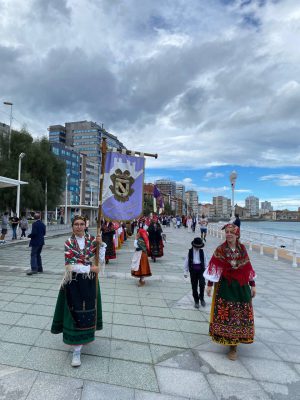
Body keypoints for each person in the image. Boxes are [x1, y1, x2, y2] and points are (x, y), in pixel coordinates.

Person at [51, 215, 106, 367]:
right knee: (74, 311)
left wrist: (101, 246)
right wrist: (90, 267)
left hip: (89, 281)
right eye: (76, 224)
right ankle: (76, 351)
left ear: (85, 225)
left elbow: (100, 260)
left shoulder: (92, 240)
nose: (79, 227)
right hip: (74, 281)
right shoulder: (68, 243)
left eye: (82, 224)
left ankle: (84, 340)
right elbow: (70, 265)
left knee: (89, 310)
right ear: (72, 226)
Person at [204, 223, 256, 361]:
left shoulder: (242, 249)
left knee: (240, 314)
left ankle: (235, 345)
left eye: (231, 232)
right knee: (228, 314)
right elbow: (214, 268)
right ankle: (231, 345)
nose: (228, 234)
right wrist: (209, 285)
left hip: (241, 286)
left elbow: (247, 267)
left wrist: (253, 284)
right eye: (226, 232)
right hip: (225, 286)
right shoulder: (220, 249)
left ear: (237, 234)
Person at [184, 237, 208, 308]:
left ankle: (202, 298)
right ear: (193, 245)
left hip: (201, 270)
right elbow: (186, 261)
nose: (198, 248)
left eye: (199, 247)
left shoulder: (202, 252)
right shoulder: (190, 252)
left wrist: (207, 271)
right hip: (193, 270)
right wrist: (185, 271)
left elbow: (206, 261)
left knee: (202, 284)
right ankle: (196, 301)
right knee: (194, 286)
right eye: (196, 246)